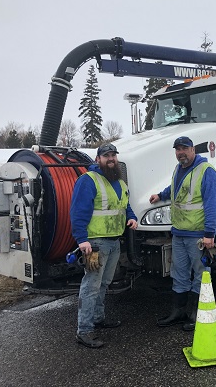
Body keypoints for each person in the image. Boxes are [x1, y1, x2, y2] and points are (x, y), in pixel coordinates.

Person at [149, 136, 216, 331]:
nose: (181, 152)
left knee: (200, 274)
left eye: (184, 148)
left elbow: (213, 204)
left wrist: (209, 234)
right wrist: (161, 195)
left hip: (198, 236)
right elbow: (175, 190)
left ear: (193, 150)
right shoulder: (179, 169)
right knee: (179, 273)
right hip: (179, 233)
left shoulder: (207, 172)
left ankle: (197, 313)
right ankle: (179, 311)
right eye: (177, 149)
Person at [70, 143, 138, 348]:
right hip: (95, 244)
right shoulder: (88, 181)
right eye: (106, 155)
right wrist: (82, 239)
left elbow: (125, 206)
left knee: (104, 283)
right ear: (97, 159)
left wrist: (132, 218)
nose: (111, 159)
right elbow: (78, 212)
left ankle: (98, 318)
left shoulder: (120, 182)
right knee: (90, 286)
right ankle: (84, 330)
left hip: (114, 242)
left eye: (113, 155)